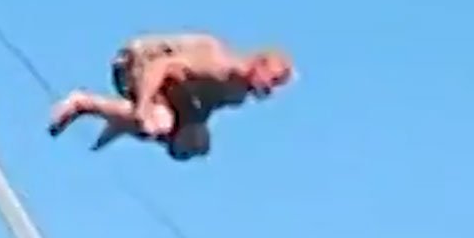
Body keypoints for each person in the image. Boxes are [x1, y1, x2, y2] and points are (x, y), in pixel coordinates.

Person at [48, 33, 294, 160]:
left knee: (192, 143)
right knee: (158, 122)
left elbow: (200, 109)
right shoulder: (217, 64)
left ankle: (125, 120)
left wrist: (189, 133)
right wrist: (142, 108)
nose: (269, 90)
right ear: (258, 64)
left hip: (172, 87)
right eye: (271, 80)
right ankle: (83, 102)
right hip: (138, 60)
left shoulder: (236, 94)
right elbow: (161, 66)